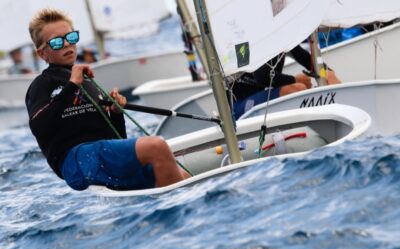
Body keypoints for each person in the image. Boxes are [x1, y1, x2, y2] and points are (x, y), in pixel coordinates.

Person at [26, 8, 190, 191]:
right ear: (42, 54)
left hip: (98, 154)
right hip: (74, 160)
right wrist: (72, 85)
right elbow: (39, 127)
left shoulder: (87, 82)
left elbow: (117, 138)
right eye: (57, 42)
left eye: (71, 37)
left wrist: (116, 113)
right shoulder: (41, 85)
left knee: (182, 175)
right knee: (156, 146)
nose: (66, 44)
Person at [229, 45, 341, 119]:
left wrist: (327, 72)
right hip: (239, 107)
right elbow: (262, 76)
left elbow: (306, 60)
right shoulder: (254, 40)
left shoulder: (281, 38)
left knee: (333, 81)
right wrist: (294, 80)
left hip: (264, 99)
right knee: (297, 88)